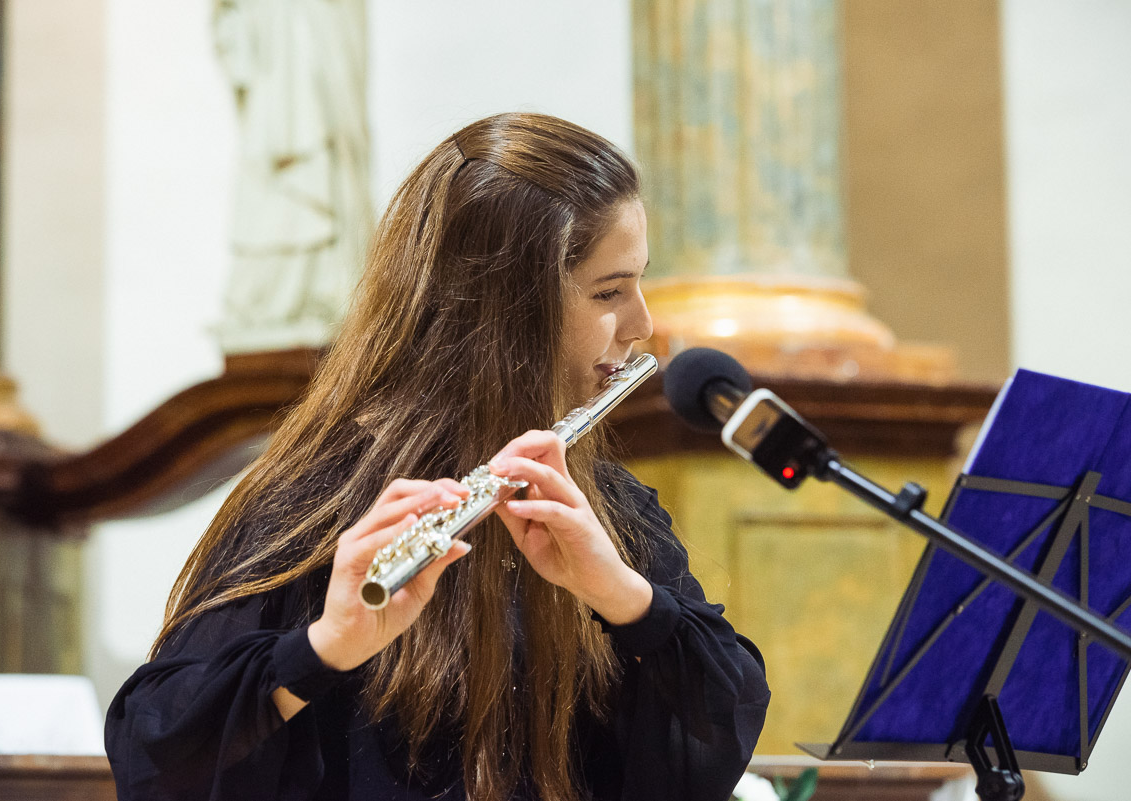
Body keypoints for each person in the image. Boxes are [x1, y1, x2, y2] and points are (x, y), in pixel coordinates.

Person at [105, 112, 769, 801]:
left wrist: (624, 597)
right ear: (507, 308)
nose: (643, 324)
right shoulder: (316, 500)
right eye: (609, 291)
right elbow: (156, 756)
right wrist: (324, 647)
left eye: (638, 283)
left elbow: (716, 737)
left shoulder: (611, 510)